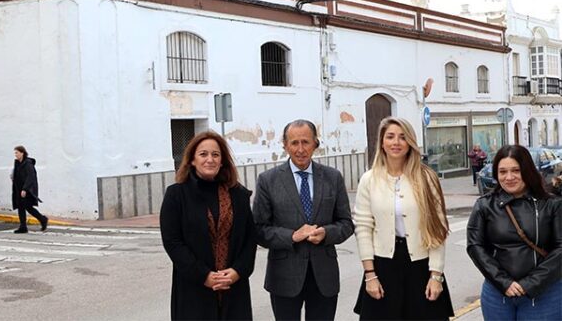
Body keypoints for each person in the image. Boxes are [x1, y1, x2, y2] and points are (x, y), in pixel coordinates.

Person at [353, 117, 453, 320]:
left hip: (421, 266)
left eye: (402, 137)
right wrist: (370, 275)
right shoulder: (369, 179)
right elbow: (363, 228)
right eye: (390, 137)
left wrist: (436, 275)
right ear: (382, 142)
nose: (396, 142)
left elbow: (437, 229)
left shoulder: (426, 178)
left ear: (410, 143)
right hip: (383, 266)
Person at [253, 119, 354, 321]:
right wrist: (292, 236)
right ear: (285, 145)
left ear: (315, 143)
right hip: (284, 276)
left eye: (306, 142)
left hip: (324, 277)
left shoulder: (332, 177)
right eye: (294, 143)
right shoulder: (268, 180)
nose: (300, 149)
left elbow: (346, 223)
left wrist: (326, 233)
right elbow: (258, 229)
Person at [160, 130, 257, 320]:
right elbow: (173, 242)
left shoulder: (238, 194)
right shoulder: (176, 195)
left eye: (215, 154)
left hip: (233, 287)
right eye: (203, 154)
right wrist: (204, 275)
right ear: (192, 160)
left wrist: (238, 272)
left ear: (222, 161)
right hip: (194, 287)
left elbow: (249, 239)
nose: (210, 159)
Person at [466, 145, 561, 320]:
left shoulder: (551, 204)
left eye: (516, 170)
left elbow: (560, 249)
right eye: (502, 172)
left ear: (527, 171)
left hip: (545, 294)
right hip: (498, 294)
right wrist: (504, 282)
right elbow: (475, 247)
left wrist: (530, 283)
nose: (509, 177)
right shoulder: (485, 205)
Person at [11, 145, 48, 234]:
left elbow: (30, 177)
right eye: (15, 153)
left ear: (22, 153)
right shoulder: (17, 163)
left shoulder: (28, 163)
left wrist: (25, 189)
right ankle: (23, 226)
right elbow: (17, 174)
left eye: (17, 153)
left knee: (28, 207)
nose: (15, 155)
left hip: (26, 190)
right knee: (21, 207)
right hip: (18, 189)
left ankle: (43, 219)